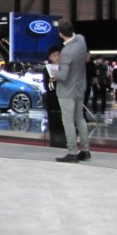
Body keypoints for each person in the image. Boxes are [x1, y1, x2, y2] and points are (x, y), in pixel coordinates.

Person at [51, 19, 91, 163]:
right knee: (80, 118)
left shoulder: (66, 52)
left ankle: (72, 151)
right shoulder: (81, 39)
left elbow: (63, 76)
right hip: (80, 87)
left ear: (60, 34)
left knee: (68, 121)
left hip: (67, 91)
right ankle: (85, 150)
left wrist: (54, 74)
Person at [43, 46, 66, 148]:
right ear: (50, 57)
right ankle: (54, 143)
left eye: (58, 55)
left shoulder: (64, 68)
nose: (57, 57)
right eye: (54, 55)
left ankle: (63, 143)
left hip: (63, 99)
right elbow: (47, 85)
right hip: (52, 99)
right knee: (53, 123)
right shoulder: (47, 69)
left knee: (63, 123)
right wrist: (54, 82)